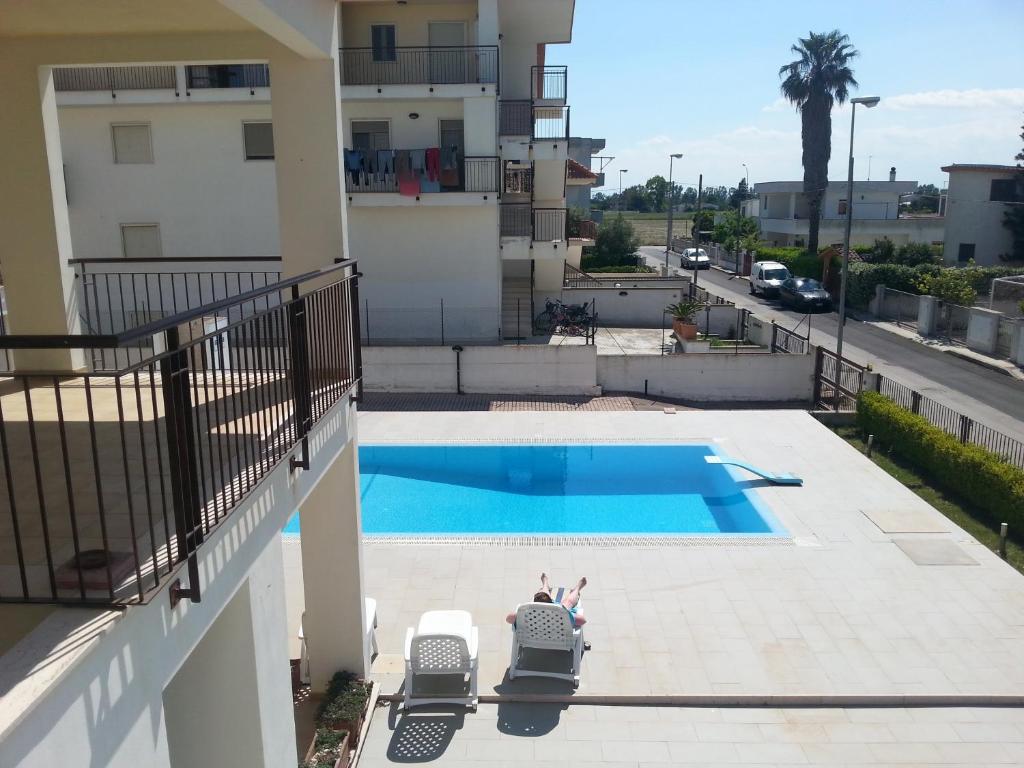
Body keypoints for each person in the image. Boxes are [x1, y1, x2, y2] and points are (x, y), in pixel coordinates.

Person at [506, 573, 587, 628]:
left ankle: (545, 584)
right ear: (551, 602)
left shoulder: (527, 615)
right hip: (559, 638)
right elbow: (582, 621)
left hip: (533, 637)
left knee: (543, 595)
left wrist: (519, 613)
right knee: (568, 602)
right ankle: (577, 588)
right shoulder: (561, 614)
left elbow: (508, 619)